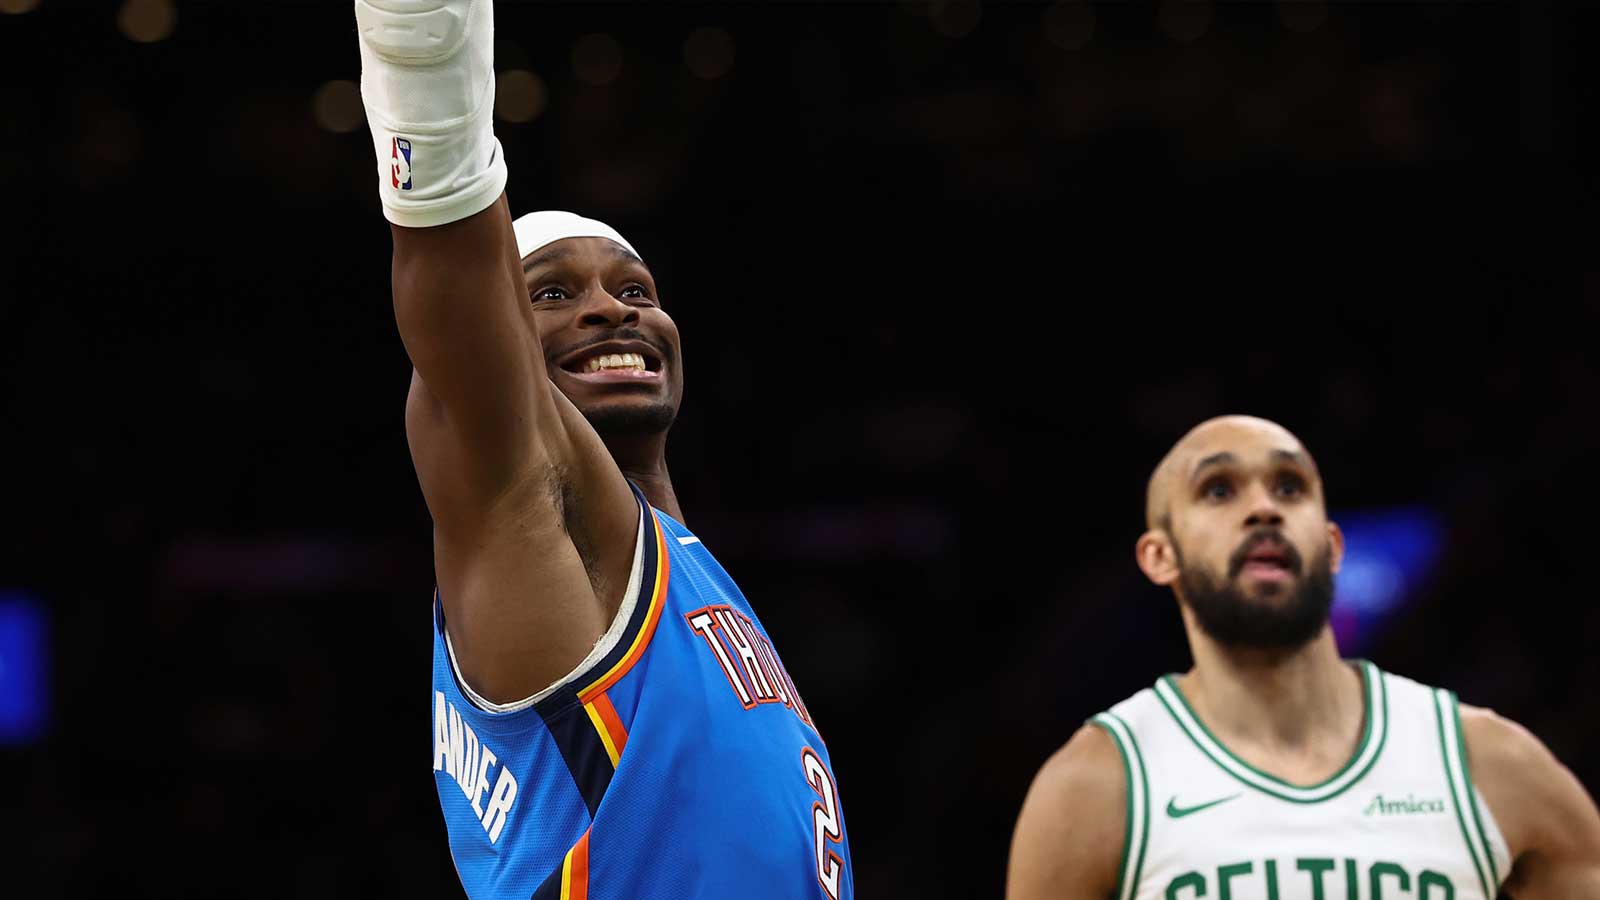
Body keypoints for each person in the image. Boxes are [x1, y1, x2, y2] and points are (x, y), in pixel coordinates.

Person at [351, 2, 853, 897]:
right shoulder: (517, 506)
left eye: (637, 290)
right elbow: (451, 267)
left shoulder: (674, 564)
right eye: (552, 294)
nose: (612, 309)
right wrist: (421, 38)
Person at [1006, 415, 1600, 899]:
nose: (1265, 509)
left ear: (1332, 545)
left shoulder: (1486, 761)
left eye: (1290, 487)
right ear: (1162, 557)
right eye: (1218, 490)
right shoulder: (1098, 783)